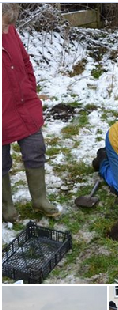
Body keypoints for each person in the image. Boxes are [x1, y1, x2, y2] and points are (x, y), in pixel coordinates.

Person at [2, 3, 60, 222]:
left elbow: (25, 61)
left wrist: (30, 87)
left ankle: (40, 199)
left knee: (36, 149)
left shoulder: (10, 30)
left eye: (11, 24)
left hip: (25, 105)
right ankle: (6, 208)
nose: (8, 30)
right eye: (5, 24)